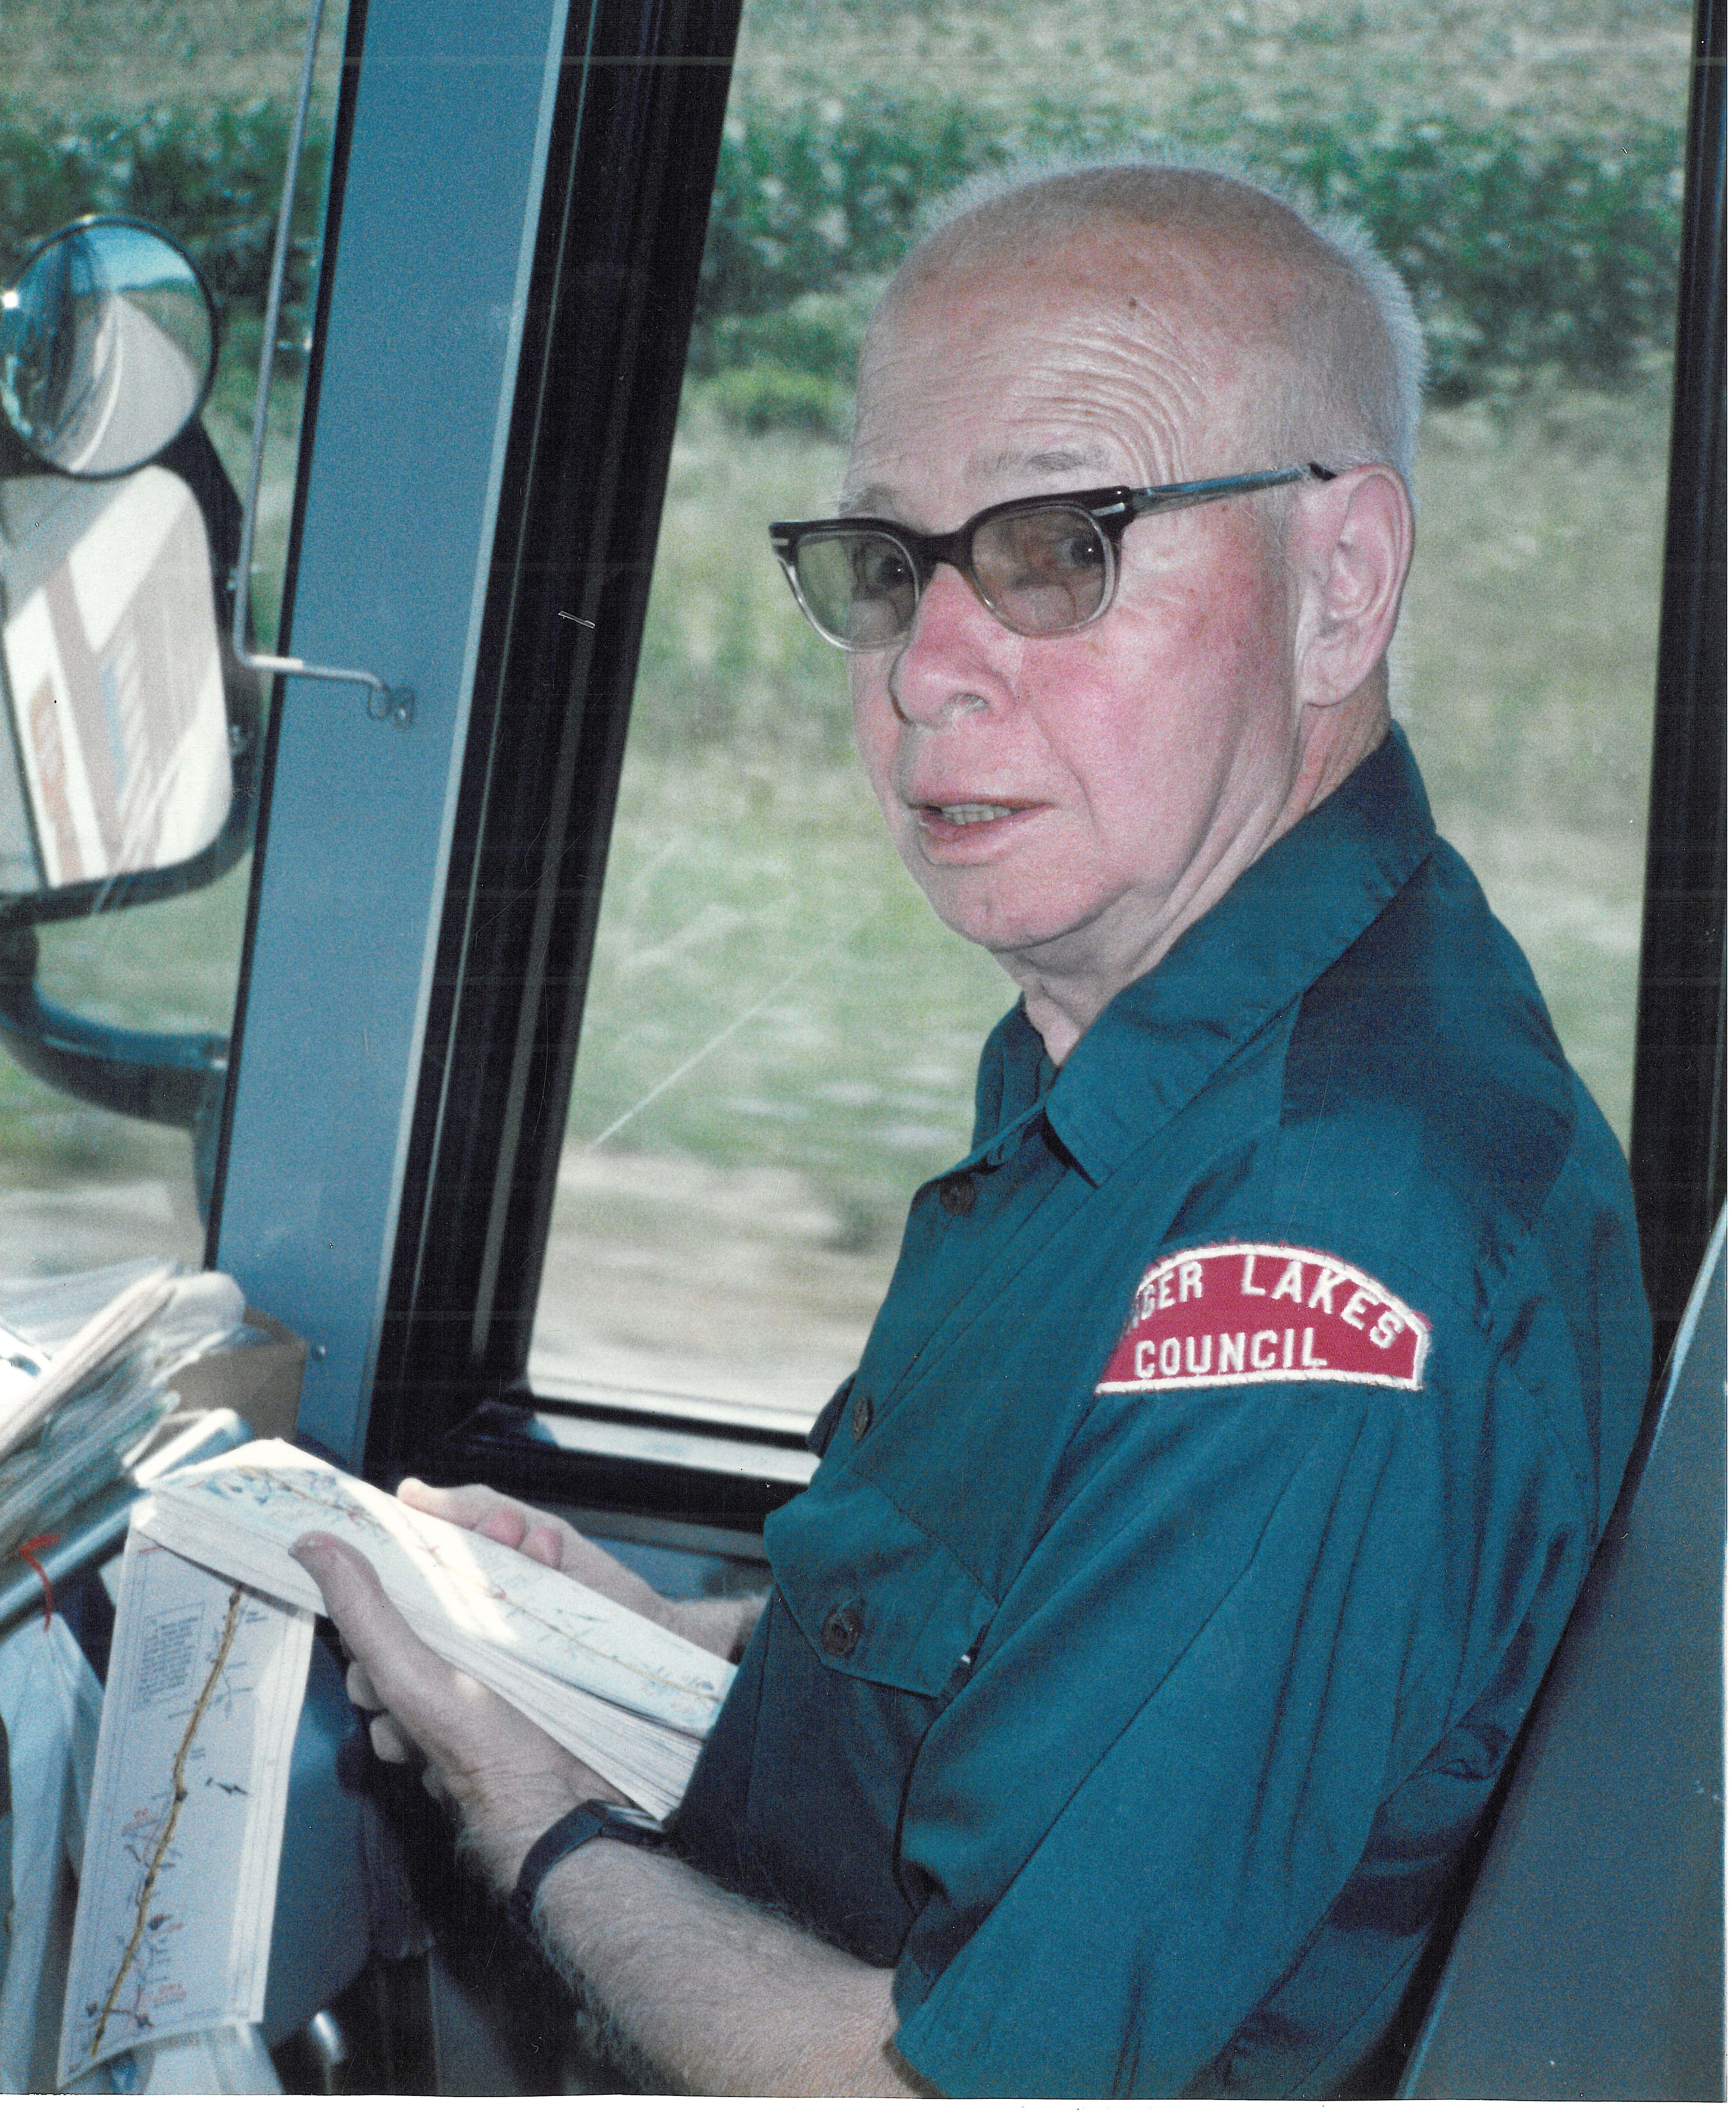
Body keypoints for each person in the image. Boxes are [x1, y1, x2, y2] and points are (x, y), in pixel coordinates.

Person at [293, 162, 1650, 2096]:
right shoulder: (1141, 1063)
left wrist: (525, 1805)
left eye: (1053, 550)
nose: (923, 669)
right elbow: (1030, 1640)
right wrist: (661, 1649)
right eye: (886, 562)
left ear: (1340, 586)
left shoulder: (1327, 1231)